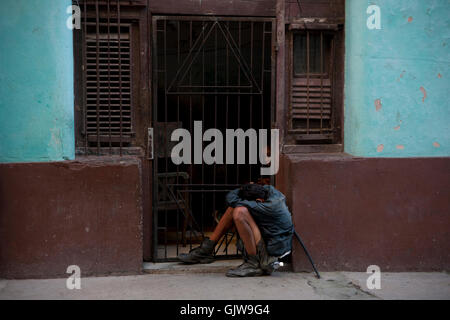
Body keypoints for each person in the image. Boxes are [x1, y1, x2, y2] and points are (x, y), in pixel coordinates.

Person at [178, 183, 294, 277]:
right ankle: (206, 250)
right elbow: (233, 200)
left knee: (239, 212)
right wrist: (247, 187)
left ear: (259, 200)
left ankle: (252, 264)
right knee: (234, 208)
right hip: (267, 236)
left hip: (274, 249)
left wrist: (243, 189)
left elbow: (231, 198)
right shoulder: (268, 190)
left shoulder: (269, 206)